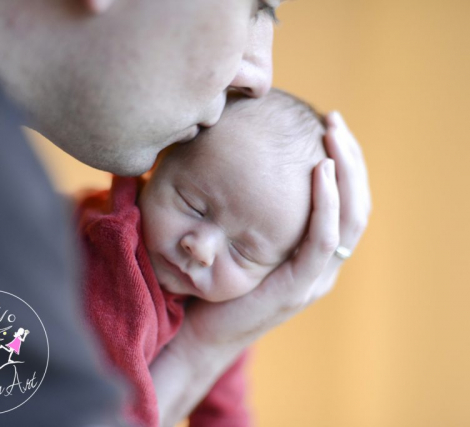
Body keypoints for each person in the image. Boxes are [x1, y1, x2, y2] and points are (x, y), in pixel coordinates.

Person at [0, 0, 371, 426]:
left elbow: (226, 411)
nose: (260, 75)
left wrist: (209, 347)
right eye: (259, 6)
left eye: (244, 252)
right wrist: (197, 355)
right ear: (155, 175)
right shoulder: (100, 238)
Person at [77, 89, 327, 426]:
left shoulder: (213, 313)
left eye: (242, 251)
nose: (202, 249)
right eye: (193, 206)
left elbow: (225, 412)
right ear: (157, 162)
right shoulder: (112, 249)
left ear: (271, 274)